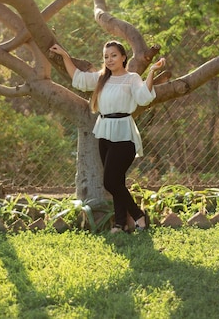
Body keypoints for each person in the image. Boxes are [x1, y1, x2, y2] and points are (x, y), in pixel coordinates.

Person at [49, 41, 166, 233]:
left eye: (113, 55)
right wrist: (65, 56)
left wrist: (152, 71)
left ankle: (138, 216)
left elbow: (144, 97)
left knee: (110, 182)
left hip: (124, 133)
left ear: (123, 57)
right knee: (117, 181)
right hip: (104, 132)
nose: (109, 60)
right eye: (105, 57)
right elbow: (79, 79)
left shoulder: (132, 78)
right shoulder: (102, 78)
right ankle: (120, 224)